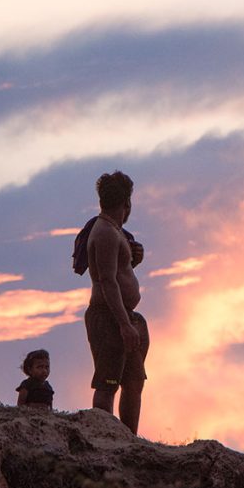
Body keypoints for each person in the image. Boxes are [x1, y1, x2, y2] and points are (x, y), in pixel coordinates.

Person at [84, 170, 149, 434]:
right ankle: (104, 439)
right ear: (127, 203)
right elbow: (107, 281)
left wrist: (135, 259)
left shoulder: (115, 231)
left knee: (134, 381)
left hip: (125, 316)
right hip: (109, 317)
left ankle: (128, 439)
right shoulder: (105, 232)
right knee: (108, 382)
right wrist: (123, 324)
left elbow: (121, 271)